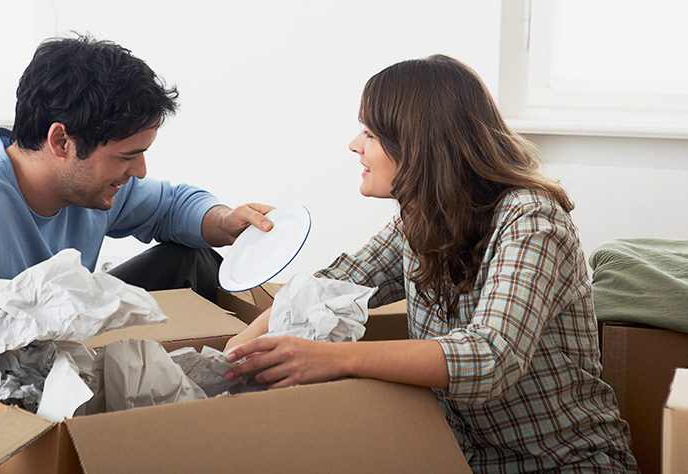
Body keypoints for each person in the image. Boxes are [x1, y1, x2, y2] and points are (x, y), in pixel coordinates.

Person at [224, 55, 639, 472]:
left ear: (417, 141)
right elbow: (336, 282)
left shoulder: (531, 220)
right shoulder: (420, 218)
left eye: (370, 132)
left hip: (563, 464)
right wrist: (243, 347)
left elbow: (491, 356)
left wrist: (333, 358)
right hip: (461, 458)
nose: (355, 144)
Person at [0, 35, 273, 448]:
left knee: (192, 257)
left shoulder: (93, 188)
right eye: (127, 155)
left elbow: (169, 206)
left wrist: (223, 220)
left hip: (58, 364)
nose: (141, 170)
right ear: (61, 141)